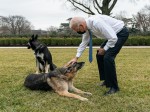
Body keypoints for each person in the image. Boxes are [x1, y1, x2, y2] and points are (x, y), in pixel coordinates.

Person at [68, 14, 129, 95]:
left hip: (120, 33)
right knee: (99, 55)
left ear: (81, 25)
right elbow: (84, 42)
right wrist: (76, 57)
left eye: (76, 29)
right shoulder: (87, 28)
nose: (76, 31)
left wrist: (105, 49)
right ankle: (106, 81)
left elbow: (113, 38)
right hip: (112, 35)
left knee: (108, 57)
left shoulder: (96, 23)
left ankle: (114, 87)